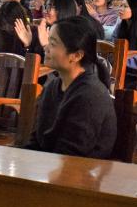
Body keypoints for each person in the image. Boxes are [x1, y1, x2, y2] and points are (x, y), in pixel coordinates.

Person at [22, 16, 117, 158]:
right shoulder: (52, 87)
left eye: (53, 44)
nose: (46, 48)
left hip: (80, 169)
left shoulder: (90, 95)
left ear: (76, 55)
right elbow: (36, 141)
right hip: (50, 164)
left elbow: (71, 155)